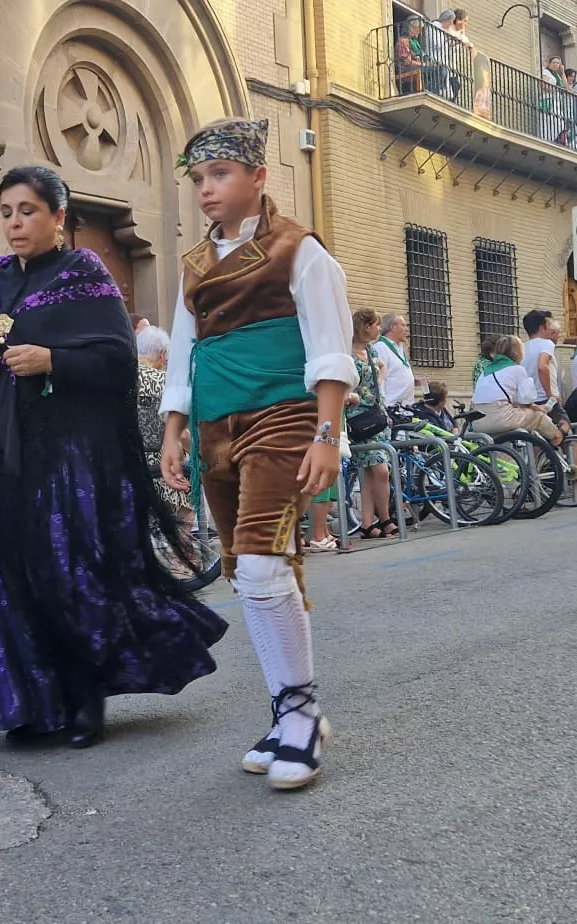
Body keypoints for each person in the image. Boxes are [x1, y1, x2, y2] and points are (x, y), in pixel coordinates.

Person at [0, 164, 225, 751]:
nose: (16, 224)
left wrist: (54, 360)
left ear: (58, 217)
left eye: (29, 211)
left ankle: (84, 699)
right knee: (8, 573)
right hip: (6, 451)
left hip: (70, 455)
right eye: (8, 212)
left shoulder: (84, 274)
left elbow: (119, 362)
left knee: (69, 572)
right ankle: (29, 700)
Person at [157, 119, 350, 790]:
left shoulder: (299, 250)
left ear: (258, 178)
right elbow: (183, 353)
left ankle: (301, 714)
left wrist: (327, 435)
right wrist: (174, 430)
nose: (206, 189)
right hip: (216, 427)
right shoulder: (192, 266)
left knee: (266, 564)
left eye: (220, 175)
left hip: (284, 418)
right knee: (246, 572)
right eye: (199, 178)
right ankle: (287, 712)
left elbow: (330, 345)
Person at [349, 309, 397, 539]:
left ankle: (367, 524)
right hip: (358, 418)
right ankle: (385, 518)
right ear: (366, 326)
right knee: (380, 469)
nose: (379, 329)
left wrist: (379, 382)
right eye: (377, 325)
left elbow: (382, 368)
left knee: (370, 474)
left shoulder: (371, 351)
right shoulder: (347, 353)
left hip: (377, 416)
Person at [135, 326, 192, 521]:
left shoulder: (121, 381)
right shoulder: (167, 383)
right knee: (183, 532)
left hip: (132, 470)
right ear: (163, 354)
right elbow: (182, 434)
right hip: (168, 471)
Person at [473, 334, 561, 443]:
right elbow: (527, 400)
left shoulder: (484, 371)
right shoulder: (517, 369)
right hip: (501, 417)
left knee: (504, 449)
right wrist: (537, 407)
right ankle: (558, 438)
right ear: (516, 352)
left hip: (478, 421)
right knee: (538, 417)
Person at [372, 313, 415, 409]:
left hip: (406, 408)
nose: (406, 329)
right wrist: (383, 408)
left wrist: (412, 380)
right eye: (403, 325)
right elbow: (380, 380)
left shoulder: (399, 347)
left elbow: (394, 373)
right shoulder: (381, 348)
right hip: (391, 408)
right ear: (393, 327)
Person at [521, 309, 562, 408]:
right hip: (545, 398)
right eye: (549, 326)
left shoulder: (522, 347)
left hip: (529, 400)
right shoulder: (546, 343)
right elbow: (542, 367)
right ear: (542, 328)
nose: (551, 329)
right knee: (563, 423)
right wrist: (550, 394)